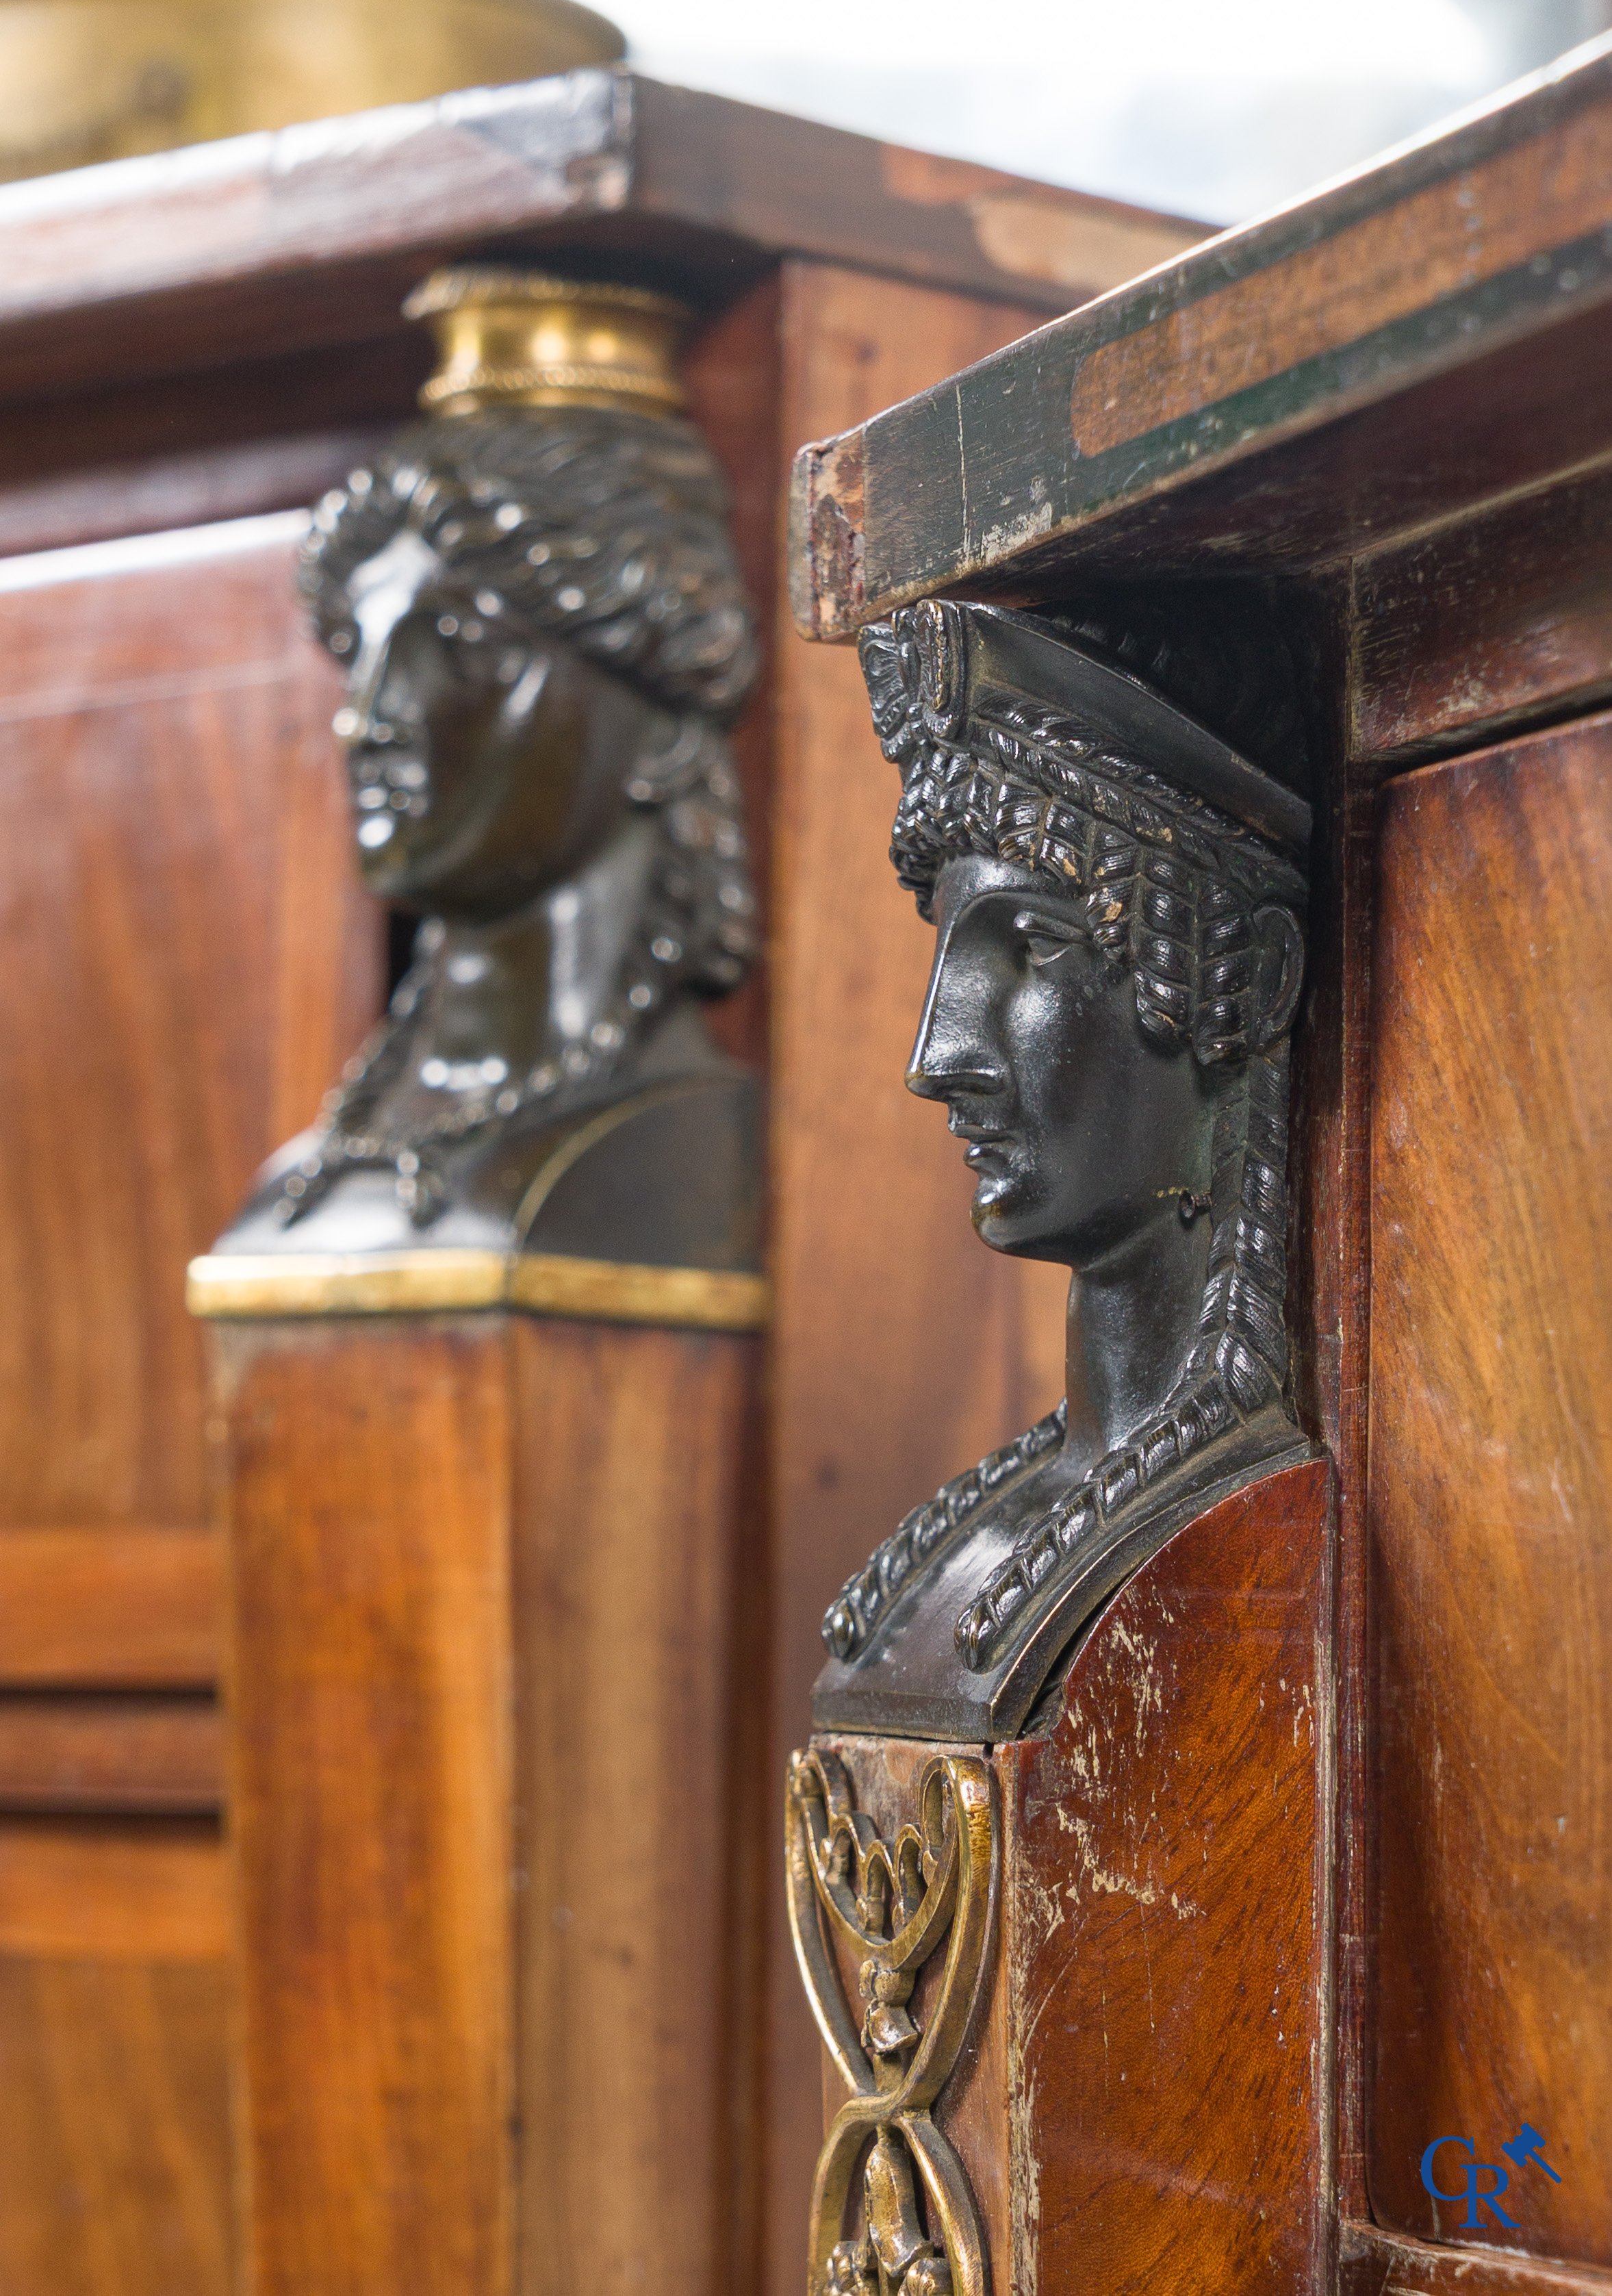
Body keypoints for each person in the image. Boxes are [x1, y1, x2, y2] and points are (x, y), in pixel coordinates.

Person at [814, 597, 1312, 1740]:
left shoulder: (1225, 1530)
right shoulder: (958, 1551)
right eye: (948, 952)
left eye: (1033, 945)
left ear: (1250, 980)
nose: (938, 1056)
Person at [211, 398, 761, 1273]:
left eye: (460, 643)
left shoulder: (677, 1148)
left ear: (657, 730)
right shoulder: (308, 1180)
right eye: (360, 652)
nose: (367, 720)